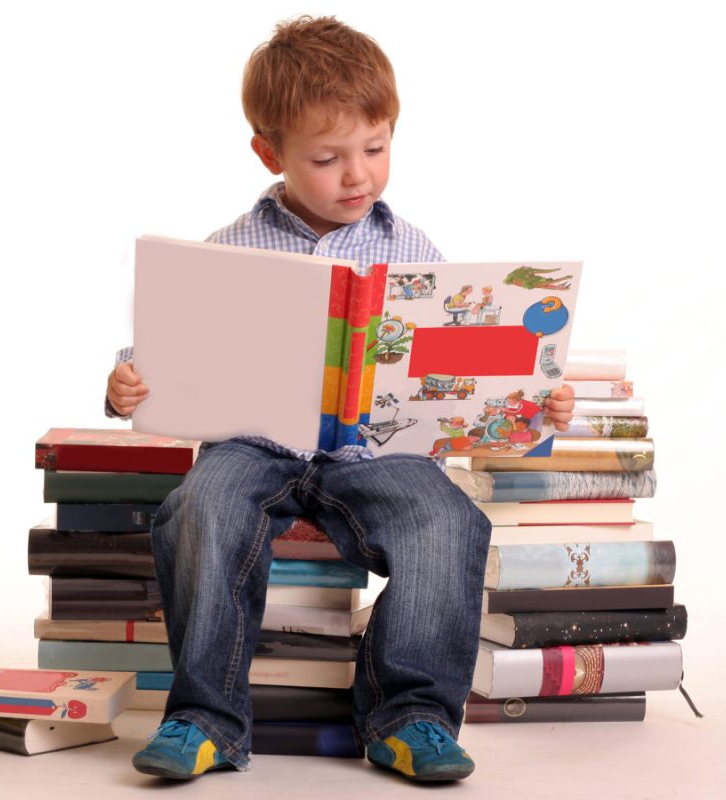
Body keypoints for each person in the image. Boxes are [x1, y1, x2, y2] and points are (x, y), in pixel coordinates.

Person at [104, 16, 575, 783]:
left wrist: (532, 401)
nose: (357, 175)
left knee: (448, 519)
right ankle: (205, 717)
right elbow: (161, 349)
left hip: (373, 448)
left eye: (376, 148)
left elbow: (459, 363)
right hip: (253, 442)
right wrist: (126, 381)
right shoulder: (230, 247)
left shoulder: (412, 249)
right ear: (271, 153)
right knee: (201, 507)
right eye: (326, 159)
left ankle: (411, 715)